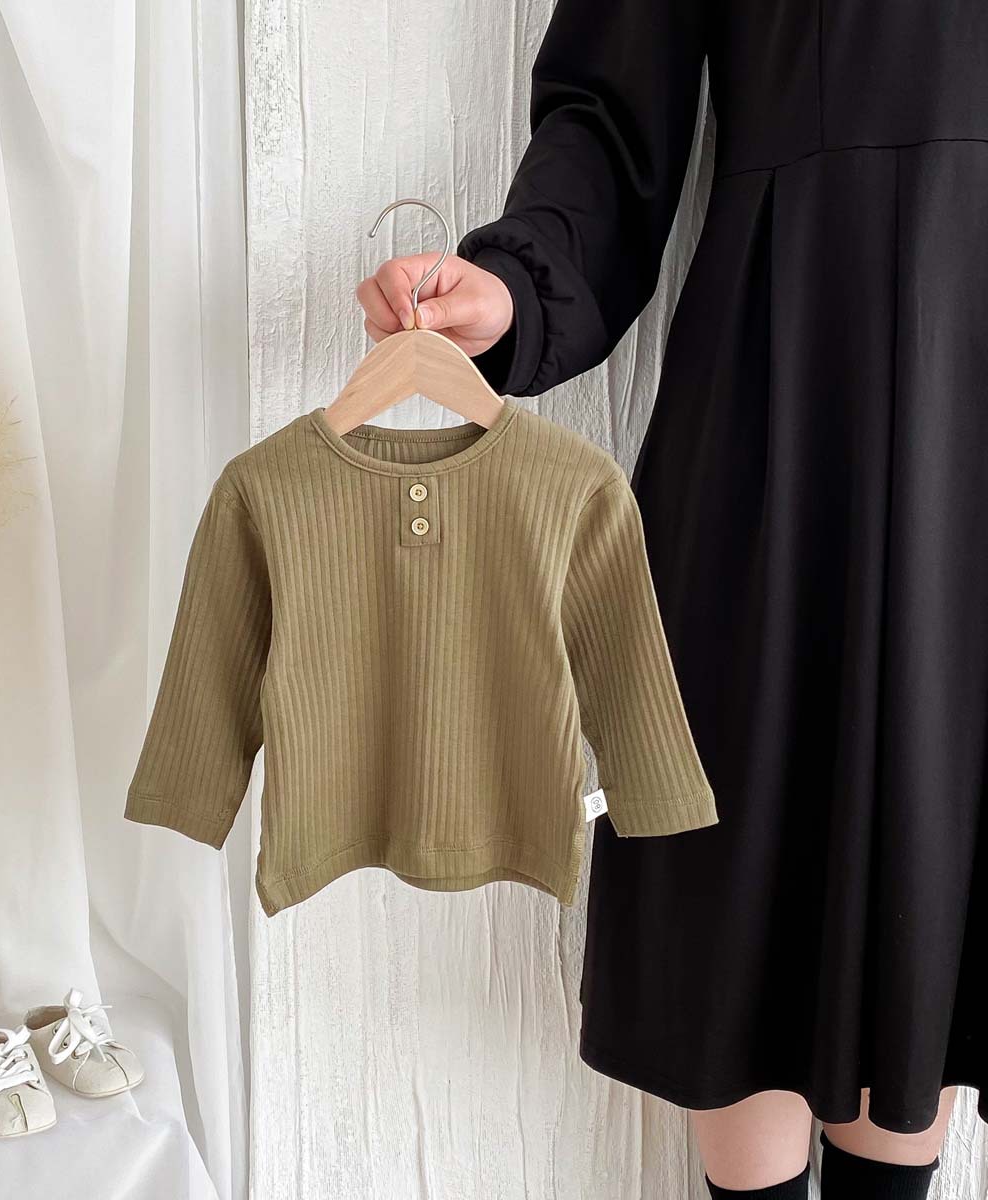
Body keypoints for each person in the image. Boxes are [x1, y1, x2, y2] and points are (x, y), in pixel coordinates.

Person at [357, 2, 988, 1197]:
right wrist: (512, 285)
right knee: (746, 858)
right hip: (784, 386)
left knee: (935, 860)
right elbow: (610, 121)